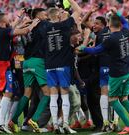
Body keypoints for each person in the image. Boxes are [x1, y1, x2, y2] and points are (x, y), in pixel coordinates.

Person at [78, 12, 129, 134]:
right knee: (124, 99)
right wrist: (117, 13)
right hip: (128, 71)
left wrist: (83, 48)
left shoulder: (111, 39)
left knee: (113, 100)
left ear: (109, 24)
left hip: (117, 72)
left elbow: (96, 50)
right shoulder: (125, 32)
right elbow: (125, 22)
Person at [0, 11, 40, 134]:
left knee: (0, 93)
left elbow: (13, 27)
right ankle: (0, 123)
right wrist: (33, 24)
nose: (8, 17)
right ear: (2, 21)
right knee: (9, 93)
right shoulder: (4, 31)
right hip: (2, 65)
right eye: (6, 17)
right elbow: (23, 31)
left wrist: (20, 18)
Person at [9, 8, 50, 133]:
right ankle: (35, 119)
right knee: (47, 93)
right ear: (38, 15)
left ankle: (13, 120)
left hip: (26, 62)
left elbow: (13, 33)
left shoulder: (28, 26)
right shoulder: (43, 24)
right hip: (38, 61)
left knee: (27, 94)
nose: (46, 15)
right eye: (44, 13)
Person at [43, 0, 81, 133]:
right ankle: (65, 124)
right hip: (63, 64)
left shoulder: (44, 26)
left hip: (49, 65)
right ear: (58, 16)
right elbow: (78, 11)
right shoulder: (65, 25)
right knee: (64, 96)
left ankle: (55, 124)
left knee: (53, 96)